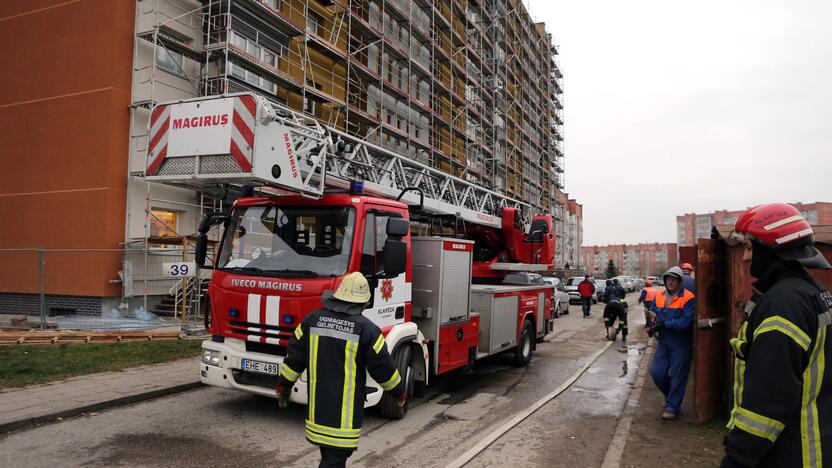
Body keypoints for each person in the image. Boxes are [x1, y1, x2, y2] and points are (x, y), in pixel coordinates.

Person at [721, 203, 832, 468]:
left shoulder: (782, 306)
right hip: (814, 442)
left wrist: (736, 458)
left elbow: (766, 405)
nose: (745, 257)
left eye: (749, 247)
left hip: (790, 453)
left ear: (773, 250)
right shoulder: (810, 292)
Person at [275, 272, 406, 468]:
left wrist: (284, 386)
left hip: (318, 411)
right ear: (363, 303)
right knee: (334, 461)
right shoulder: (367, 330)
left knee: (330, 457)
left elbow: (295, 357)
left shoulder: (312, 320)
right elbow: (383, 368)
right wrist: (399, 392)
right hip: (343, 417)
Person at [647, 266, 695, 420]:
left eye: (674, 279)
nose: (671, 282)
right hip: (664, 341)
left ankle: (672, 407)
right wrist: (652, 324)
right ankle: (672, 397)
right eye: (668, 279)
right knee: (657, 372)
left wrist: (666, 324)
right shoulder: (659, 295)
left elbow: (686, 321)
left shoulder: (688, 298)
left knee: (678, 376)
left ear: (679, 281)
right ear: (665, 280)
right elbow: (653, 312)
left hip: (681, 342)